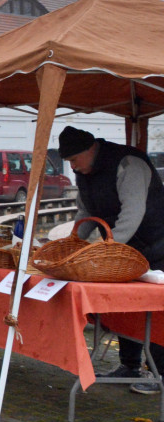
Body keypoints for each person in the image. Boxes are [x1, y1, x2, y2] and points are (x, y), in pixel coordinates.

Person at [59, 125, 164, 394]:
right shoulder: (85, 172)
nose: (72, 167)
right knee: (127, 308)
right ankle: (129, 366)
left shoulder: (129, 164)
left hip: (157, 244)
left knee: (157, 313)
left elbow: (133, 212)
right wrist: (74, 244)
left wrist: (107, 248)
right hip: (124, 250)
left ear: (90, 149)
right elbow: (86, 211)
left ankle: (159, 375)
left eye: (74, 160)